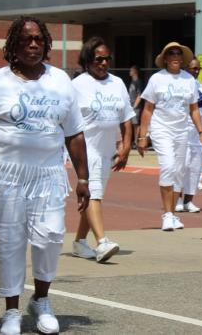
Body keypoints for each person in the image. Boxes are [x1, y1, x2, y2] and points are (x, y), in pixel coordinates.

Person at [0, 17, 90, 335]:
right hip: (3, 173)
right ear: (13, 45)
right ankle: (12, 311)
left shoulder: (61, 81)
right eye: (26, 39)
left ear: (46, 44)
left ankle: (41, 300)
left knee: (51, 236)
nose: (33, 44)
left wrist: (84, 179)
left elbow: (75, 135)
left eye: (39, 39)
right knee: (10, 242)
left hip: (48, 173)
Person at [71, 37, 134, 263]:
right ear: (88, 60)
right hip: (85, 148)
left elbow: (127, 119)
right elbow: (65, 119)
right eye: (99, 59)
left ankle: (79, 241)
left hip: (107, 148)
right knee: (93, 192)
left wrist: (125, 146)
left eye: (107, 58)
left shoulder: (117, 83)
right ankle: (102, 242)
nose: (104, 63)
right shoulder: (77, 85)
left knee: (95, 196)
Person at [137, 42, 202, 231]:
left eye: (178, 53)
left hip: (182, 130)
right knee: (168, 166)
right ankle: (167, 214)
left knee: (179, 171)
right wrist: (143, 136)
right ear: (165, 58)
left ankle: (173, 214)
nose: (175, 56)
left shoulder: (189, 80)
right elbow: (147, 109)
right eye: (171, 53)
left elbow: (194, 109)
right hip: (161, 129)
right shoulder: (156, 79)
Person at [175, 58, 202, 213]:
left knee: (194, 169)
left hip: (197, 134)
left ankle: (188, 201)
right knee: (181, 167)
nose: (196, 71)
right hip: (182, 132)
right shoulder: (178, 84)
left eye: (198, 69)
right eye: (194, 68)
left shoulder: (201, 88)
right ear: (186, 68)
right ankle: (177, 199)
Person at [128, 65, 143, 147]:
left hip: (135, 107)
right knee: (131, 124)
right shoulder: (132, 82)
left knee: (136, 124)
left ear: (135, 71)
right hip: (130, 106)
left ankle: (136, 142)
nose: (129, 72)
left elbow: (139, 95)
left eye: (131, 70)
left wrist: (134, 106)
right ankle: (132, 141)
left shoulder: (138, 82)